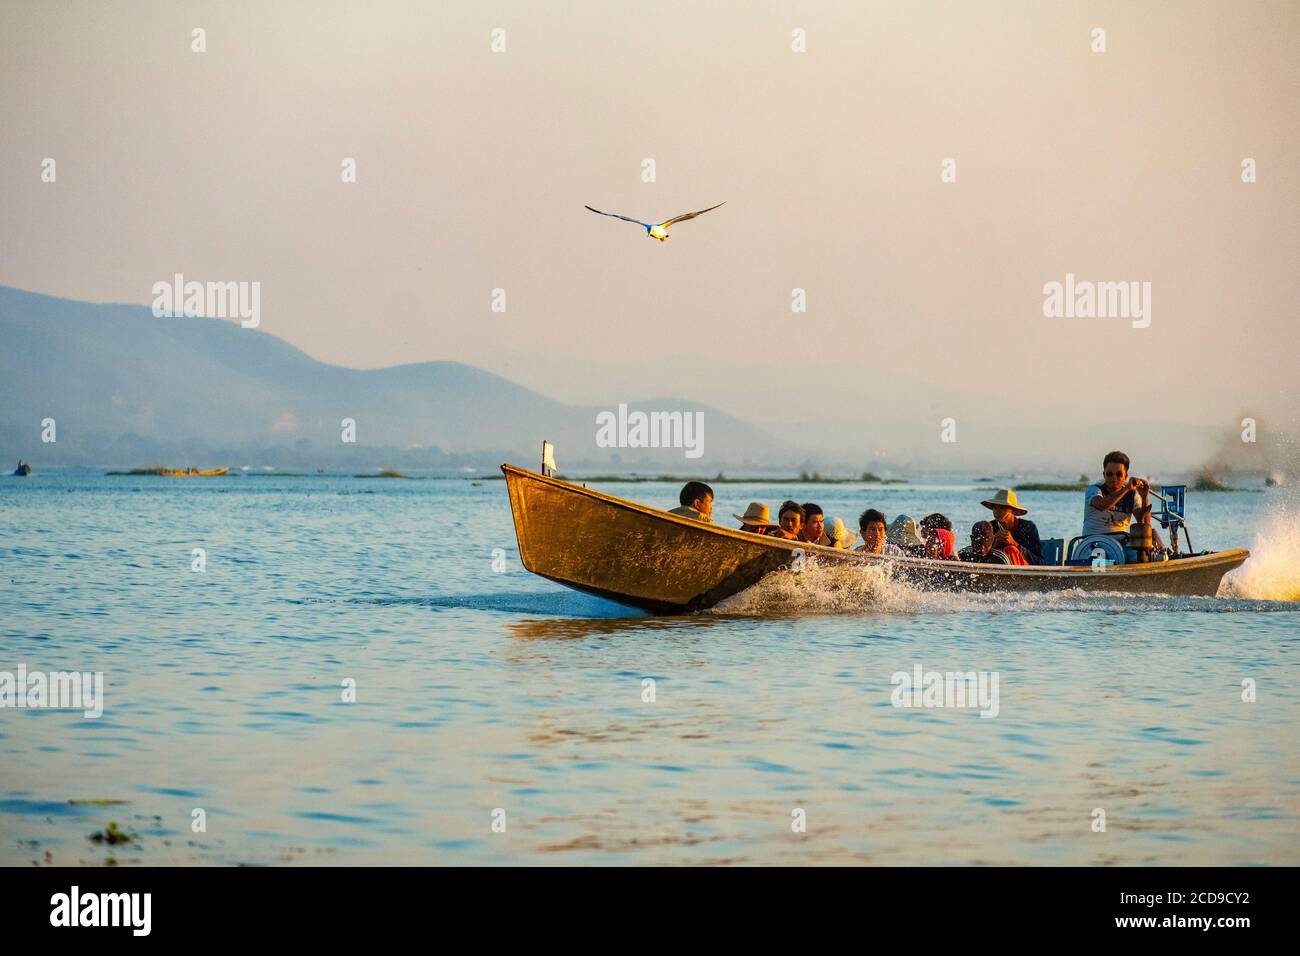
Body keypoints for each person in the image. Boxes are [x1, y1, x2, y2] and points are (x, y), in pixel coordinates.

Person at [1083, 451, 1163, 548]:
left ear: (1125, 476)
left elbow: (1144, 522)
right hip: (1093, 544)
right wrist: (1126, 489)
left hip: (1121, 546)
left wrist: (1144, 497)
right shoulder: (1094, 489)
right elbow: (1101, 505)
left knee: (1152, 533)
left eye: (1119, 474)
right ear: (1104, 475)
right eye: (1109, 474)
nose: (1114, 478)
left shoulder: (1132, 494)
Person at [979, 488, 1041, 564]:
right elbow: (980, 557)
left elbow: (1039, 562)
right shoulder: (989, 528)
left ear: (1013, 510)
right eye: (995, 508)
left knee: (1011, 550)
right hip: (996, 569)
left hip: (1023, 571)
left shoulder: (1028, 527)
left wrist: (1015, 544)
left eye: (1002, 508)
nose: (997, 511)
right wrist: (994, 542)